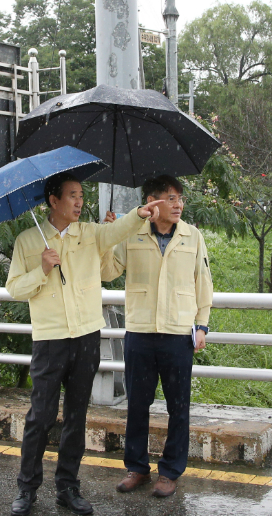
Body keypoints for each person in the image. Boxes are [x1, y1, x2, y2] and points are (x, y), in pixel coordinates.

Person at [6, 172, 163, 516]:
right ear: (53, 201)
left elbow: (116, 232)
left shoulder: (90, 234)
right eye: (72, 196)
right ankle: (26, 489)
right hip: (49, 340)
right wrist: (42, 270)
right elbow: (15, 288)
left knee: (77, 417)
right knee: (41, 417)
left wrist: (138, 214)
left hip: (87, 336)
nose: (79, 202)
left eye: (81, 195)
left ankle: (68, 488)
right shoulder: (29, 241)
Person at [100, 174, 213, 498]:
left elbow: (202, 281)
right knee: (137, 404)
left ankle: (170, 472)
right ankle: (137, 468)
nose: (178, 204)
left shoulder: (192, 236)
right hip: (140, 331)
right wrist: (109, 236)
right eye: (170, 198)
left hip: (178, 333)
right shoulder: (131, 231)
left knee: (179, 407)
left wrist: (201, 325)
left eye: (180, 198)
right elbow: (109, 272)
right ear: (152, 201)